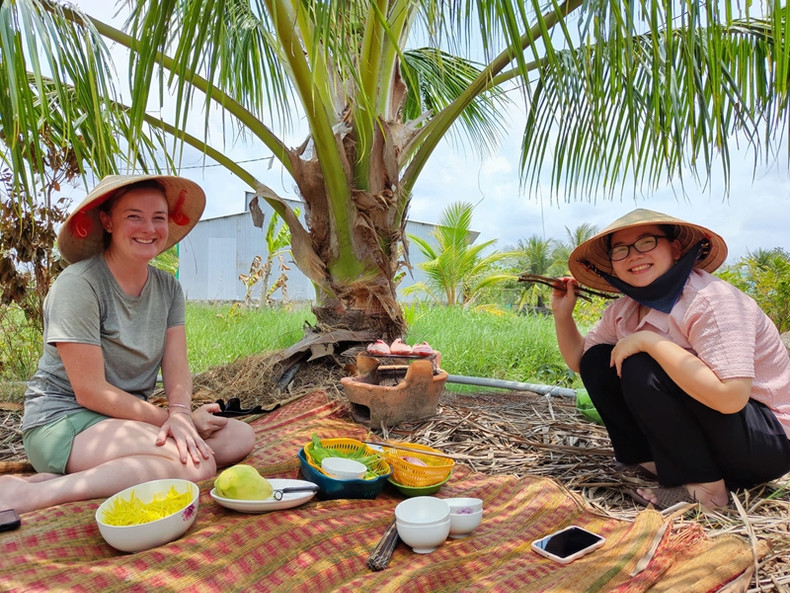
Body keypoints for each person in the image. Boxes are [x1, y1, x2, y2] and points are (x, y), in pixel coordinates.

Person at [0, 175, 255, 515]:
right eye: (134, 216)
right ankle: (31, 496)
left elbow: (177, 366)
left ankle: (51, 480)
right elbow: (90, 392)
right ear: (107, 221)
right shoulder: (79, 285)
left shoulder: (168, 288)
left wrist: (181, 413)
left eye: (158, 217)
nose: (148, 228)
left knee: (239, 437)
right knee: (198, 466)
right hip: (62, 421)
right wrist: (173, 420)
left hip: (125, 421)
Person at [551, 209, 790, 509]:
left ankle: (708, 493)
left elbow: (732, 398)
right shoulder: (625, 309)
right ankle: (655, 464)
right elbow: (583, 363)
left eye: (647, 242)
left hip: (764, 441)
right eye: (621, 250)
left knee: (641, 363)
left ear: (675, 249)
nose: (633, 255)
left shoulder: (710, 300)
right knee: (601, 359)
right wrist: (563, 316)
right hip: (716, 436)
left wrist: (650, 342)